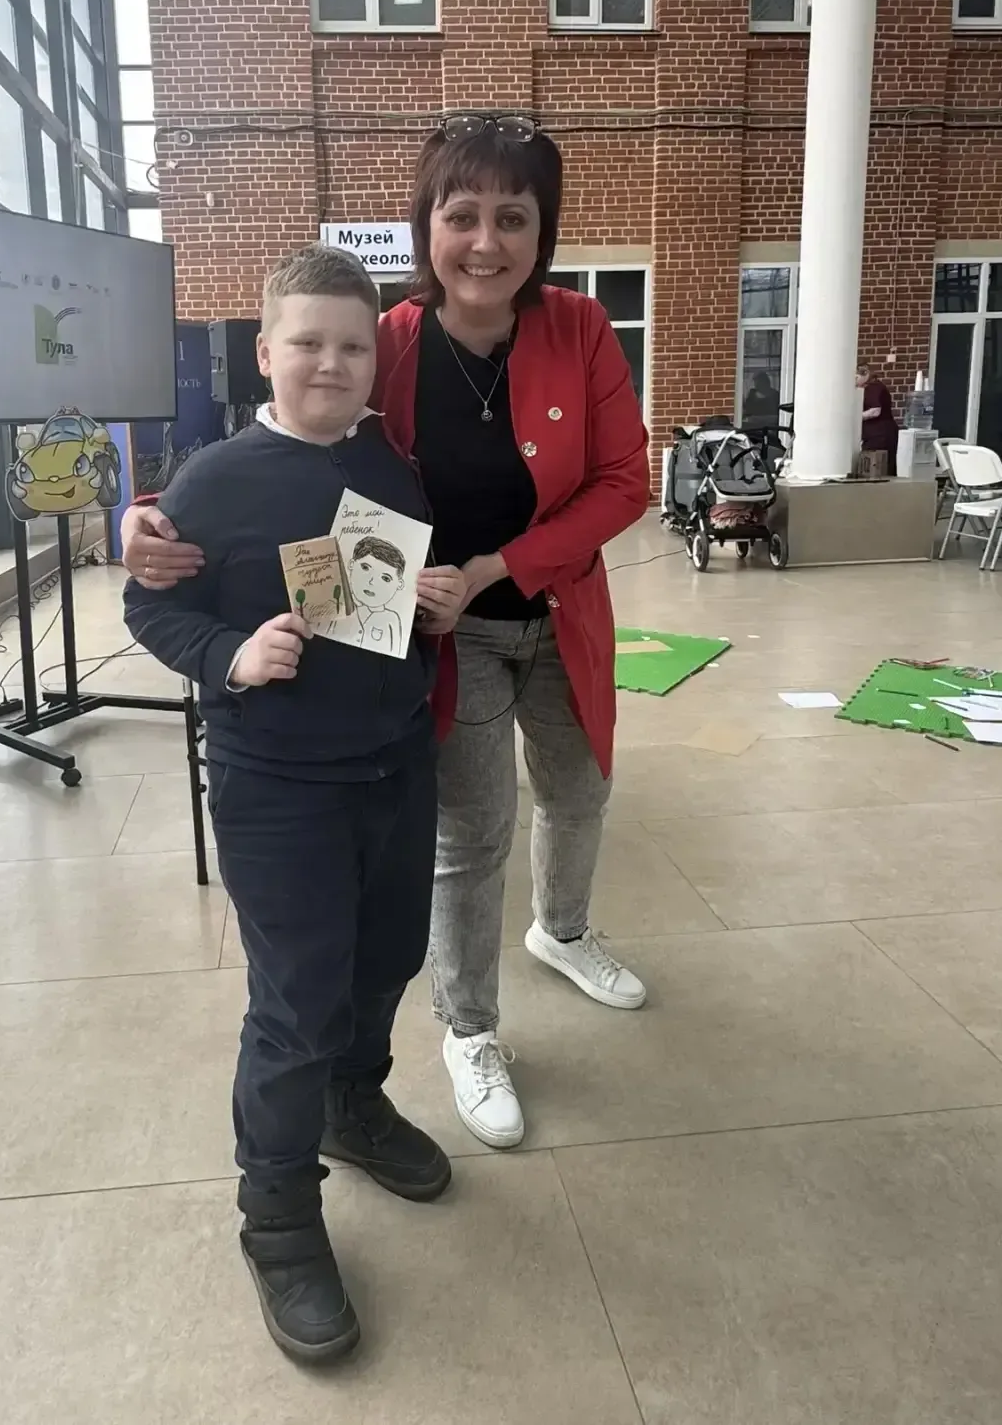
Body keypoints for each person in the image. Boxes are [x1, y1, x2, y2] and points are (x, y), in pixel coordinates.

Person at [123, 113, 651, 1152]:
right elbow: (279, 445)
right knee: (473, 830)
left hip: (552, 606)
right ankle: (470, 1029)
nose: (486, 242)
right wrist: (137, 518)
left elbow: (623, 481)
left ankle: (561, 930)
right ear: (426, 227)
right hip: (434, 638)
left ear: (542, 232)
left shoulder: (579, 328)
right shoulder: (389, 338)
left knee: (579, 788)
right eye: (463, 216)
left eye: (513, 217)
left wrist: (497, 567)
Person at [124, 245, 465, 1366]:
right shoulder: (212, 481)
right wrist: (229, 653)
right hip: (277, 785)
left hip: (395, 764)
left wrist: (431, 607)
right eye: (306, 342)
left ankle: (351, 1104)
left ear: (377, 359)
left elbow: (388, 599)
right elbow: (149, 608)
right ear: (264, 352)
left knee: (388, 958)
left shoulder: (390, 468)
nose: (330, 363)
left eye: (351, 345)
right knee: (295, 1003)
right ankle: (275, 1217)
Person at [858, 364, 900, 475]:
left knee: (876, 466)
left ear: (866, 374)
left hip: (879, 435)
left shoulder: (873, 388)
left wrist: (856, 417)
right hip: (881, 433)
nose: (855, 382)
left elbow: (875, 411)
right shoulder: (876, 386)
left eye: (856, 377)